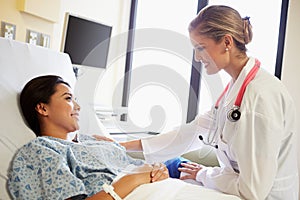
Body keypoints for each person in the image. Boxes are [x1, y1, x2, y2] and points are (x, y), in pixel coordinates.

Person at [119, 5, 299, 200]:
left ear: (226, 42)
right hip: (236, 186)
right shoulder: (235, 89)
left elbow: (252, 191)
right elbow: (192, 132)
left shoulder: (260, 97)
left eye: (200, 48)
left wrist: (204, 174)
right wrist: (122, 145)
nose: (197, 57)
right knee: (174, 166)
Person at [7, 75, 169, 200]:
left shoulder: (91, 141)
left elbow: (145, 169)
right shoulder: (40, 150)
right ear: (42, 108)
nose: (78, 107)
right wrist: (134, 179)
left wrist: (158, 170)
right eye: (68, 98)